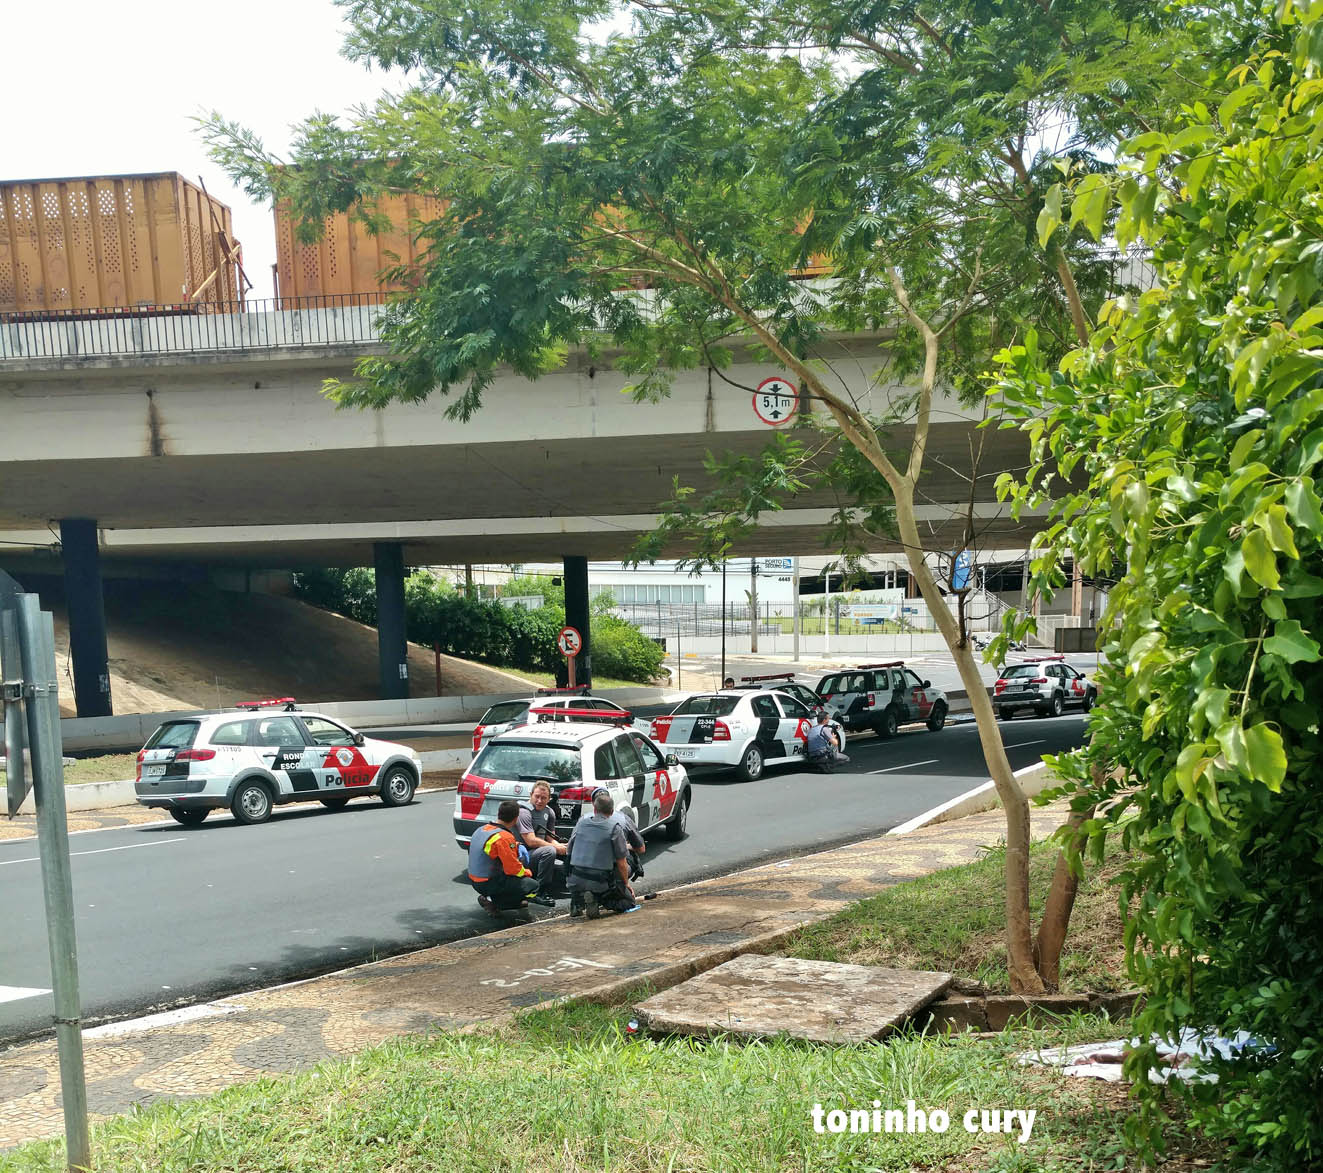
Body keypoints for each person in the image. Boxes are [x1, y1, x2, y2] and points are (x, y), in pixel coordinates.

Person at [467, 800, 554, 915]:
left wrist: (517, 845)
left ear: (499, 814)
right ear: (516, 819)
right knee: (532, 886)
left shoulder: (482, 830)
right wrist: (527, 873)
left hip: (474, 880)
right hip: (488, 883)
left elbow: (490, 849)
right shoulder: (504, 837)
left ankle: (492, 897)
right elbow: (512, 869)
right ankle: (496, 902)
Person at [566, 790, 636, 918]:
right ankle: (598, 899)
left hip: (574, 879)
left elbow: (569, 851)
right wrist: (626, 885)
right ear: (612, 811)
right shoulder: (615, 828)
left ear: (594, 808)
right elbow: (621, 863)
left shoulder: (581, 823)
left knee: (584, 877)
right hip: (599, 881)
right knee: (629, 903)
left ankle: (577, 900)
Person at [515, 781, 568, 894]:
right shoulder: (524, 812)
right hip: (521, 856)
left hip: (537, 853)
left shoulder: (549, 812)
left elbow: (549, 837)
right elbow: (531, 841)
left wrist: (559, 845)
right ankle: (540, 891)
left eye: (543, 798)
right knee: (549, 851)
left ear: (549, 799)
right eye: (537, 796)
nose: (539, 801)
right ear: (531, 795)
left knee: (567, 850)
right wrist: (555, 847)